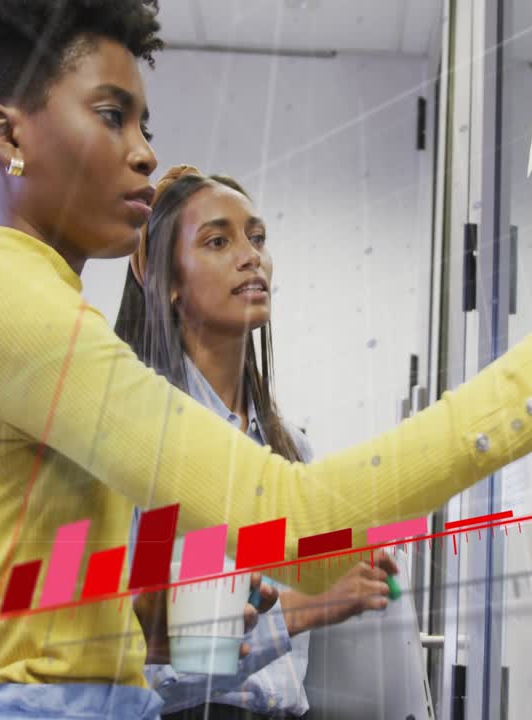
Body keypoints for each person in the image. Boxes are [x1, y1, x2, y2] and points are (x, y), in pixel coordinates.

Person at [0, 1, 532, 718]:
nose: (142, 154)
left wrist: (132, 623)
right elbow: (302, 524)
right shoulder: (14, 307)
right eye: (111, 116)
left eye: (144, 128)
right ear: (8, 135)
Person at [112, 165, 405, 718]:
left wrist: (353, 561)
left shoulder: (290, 448)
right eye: (218, 241)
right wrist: (306, 608)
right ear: (167, 281)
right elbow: (141, 669)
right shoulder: (144, 443)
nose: (251, 256)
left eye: (258, 238)